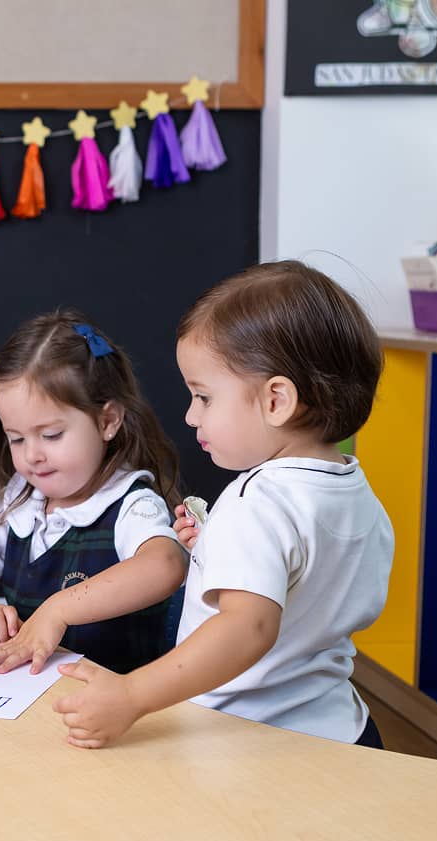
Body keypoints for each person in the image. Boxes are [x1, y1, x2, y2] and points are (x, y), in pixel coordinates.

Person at [54, 261, 394, 748]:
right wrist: (217, 547)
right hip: (341, 728)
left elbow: (249, 626)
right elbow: (308, 581)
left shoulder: (254, 501)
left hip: (253, 741)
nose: (191, 415)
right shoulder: (351, 488)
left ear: (276, 401)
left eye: (204, 397)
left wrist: (132, 694)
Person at [0, 309, 190, 676]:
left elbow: (166, 565)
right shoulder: (18, 501)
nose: (33, 455)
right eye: (16, 439)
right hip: (32, 693)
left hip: (112, 700)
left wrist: (58, 609)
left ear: (107, 421)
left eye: (51, 435)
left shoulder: (131, 503)